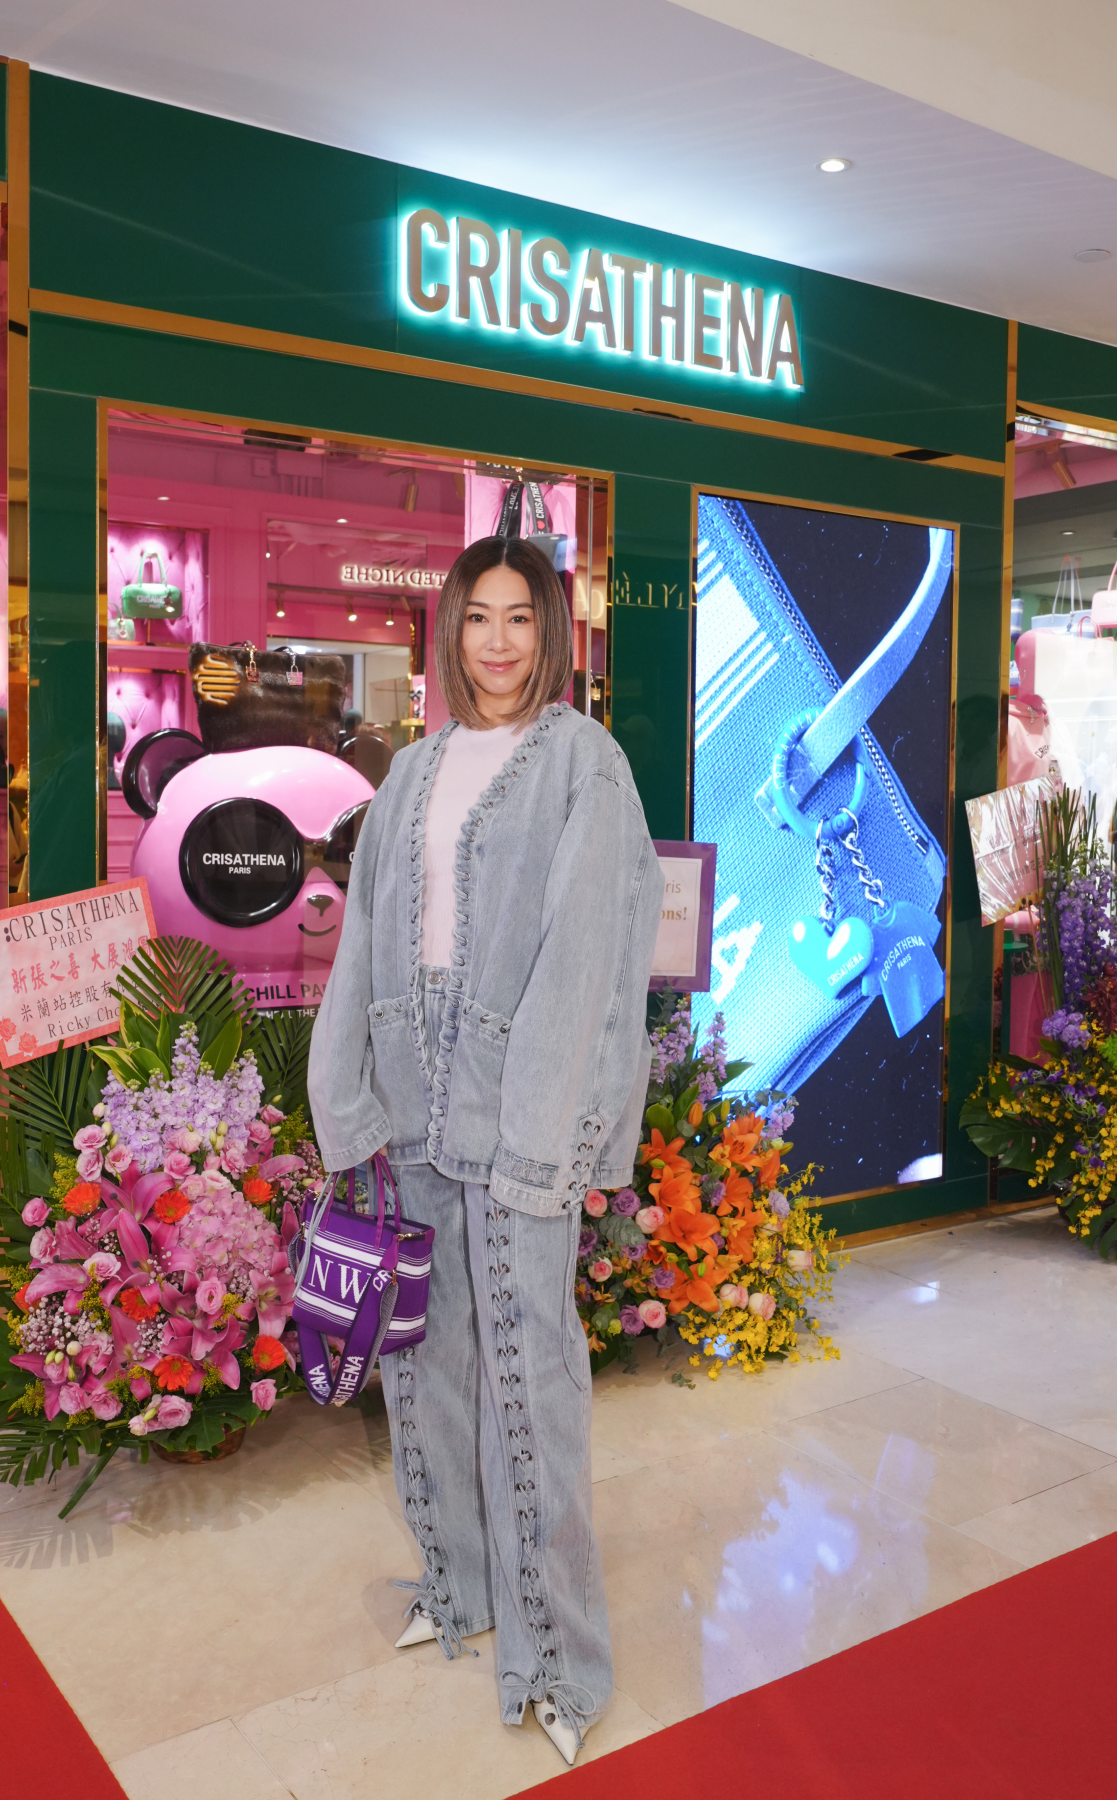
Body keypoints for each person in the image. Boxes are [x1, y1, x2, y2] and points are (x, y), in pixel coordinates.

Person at [307, 535, 662, 1766]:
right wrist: (346, 1092)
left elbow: (591, 957)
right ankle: (457, 1586)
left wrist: (548, 1127)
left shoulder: (582, 764)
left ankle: (560, 1659)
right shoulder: (412, 768)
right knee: (426, 1362)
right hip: (412, 1091)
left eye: (520, 617)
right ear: (450, 631)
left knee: (529, 1380)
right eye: (478, 617)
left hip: (519, 1107)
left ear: (549, 632)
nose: (499, 641)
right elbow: (366, 938)